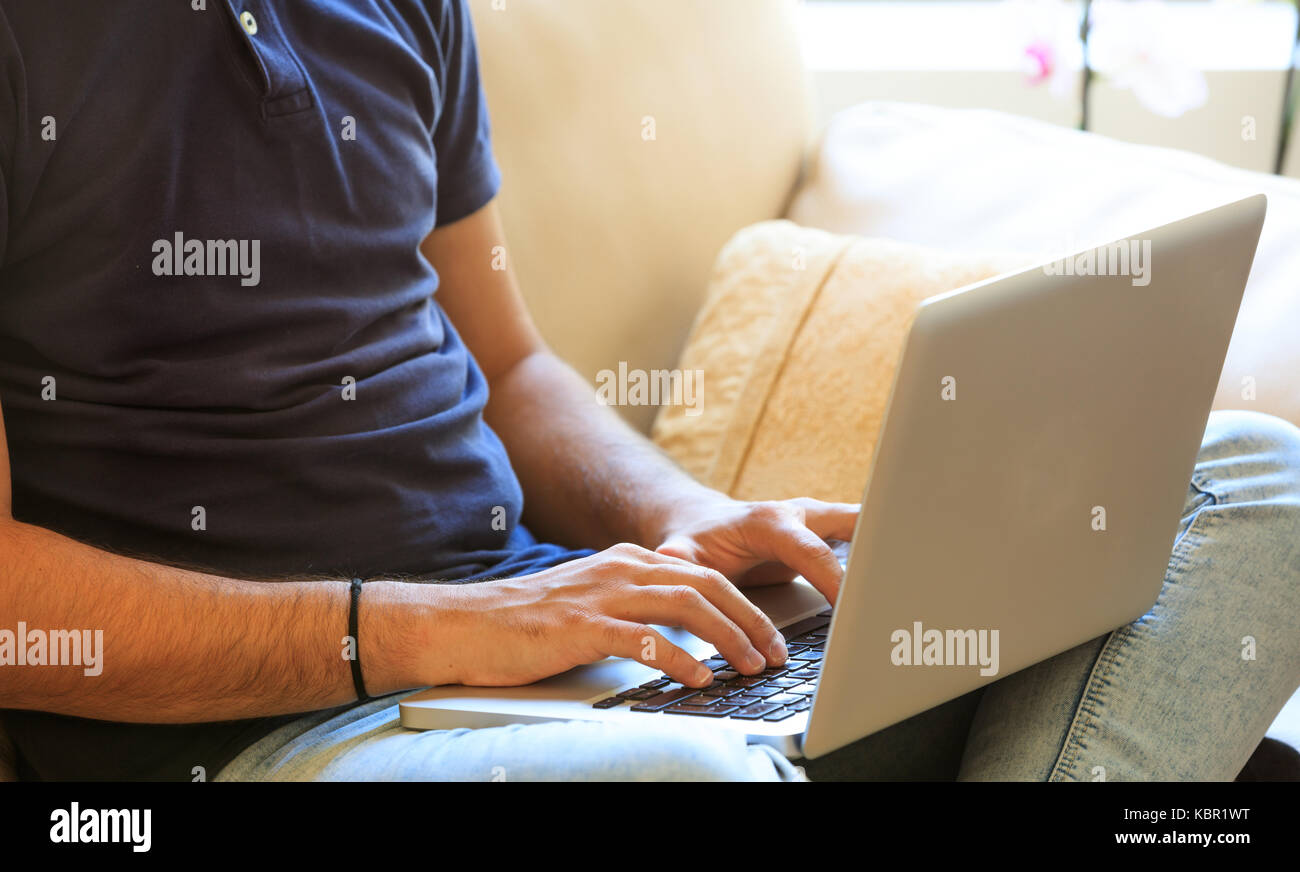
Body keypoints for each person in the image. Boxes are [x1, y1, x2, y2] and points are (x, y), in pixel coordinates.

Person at [0, 1, 1296, 782]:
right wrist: (419, 633)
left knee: (1242, 477)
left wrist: (680, 517)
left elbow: (507, 361)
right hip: (270, 730)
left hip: (574, 645)